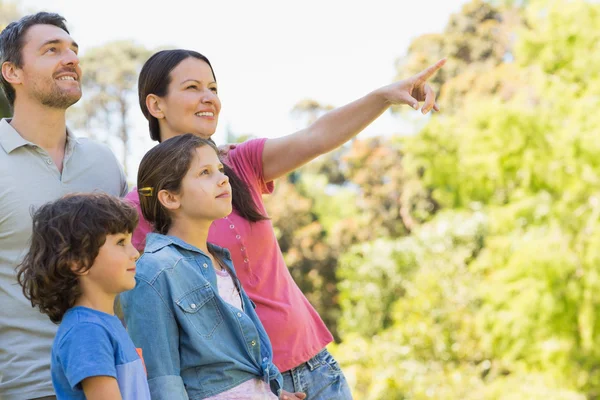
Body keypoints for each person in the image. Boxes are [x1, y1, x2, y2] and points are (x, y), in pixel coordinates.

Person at [125, 48, 445, 399]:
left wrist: (383, 97)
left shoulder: (239, 163)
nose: (208, 98)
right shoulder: (142, 205)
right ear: (156, 105)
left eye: (213, 88)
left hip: (315, 367)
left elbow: (316, 137)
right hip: (242, 388)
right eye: (192, 87)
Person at [0, 12, 129, 399]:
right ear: (13, 72)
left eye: (73, 49)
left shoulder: (103, 160)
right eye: (52, 50)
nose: (70, 58)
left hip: (116, 381)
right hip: (28, 386)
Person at [120, 134, 305, 400]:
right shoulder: (153, 271)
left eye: (220, 169)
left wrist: (272, 391)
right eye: (205, 172)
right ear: (170, 198)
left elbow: (234, 365)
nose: (223, 178)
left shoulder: (221, 261)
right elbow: (161, 380)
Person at [15, 193, 151, 400]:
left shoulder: (104, 324)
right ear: (78, 262)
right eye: (121, 242)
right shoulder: (87, 331)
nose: (134, 253)